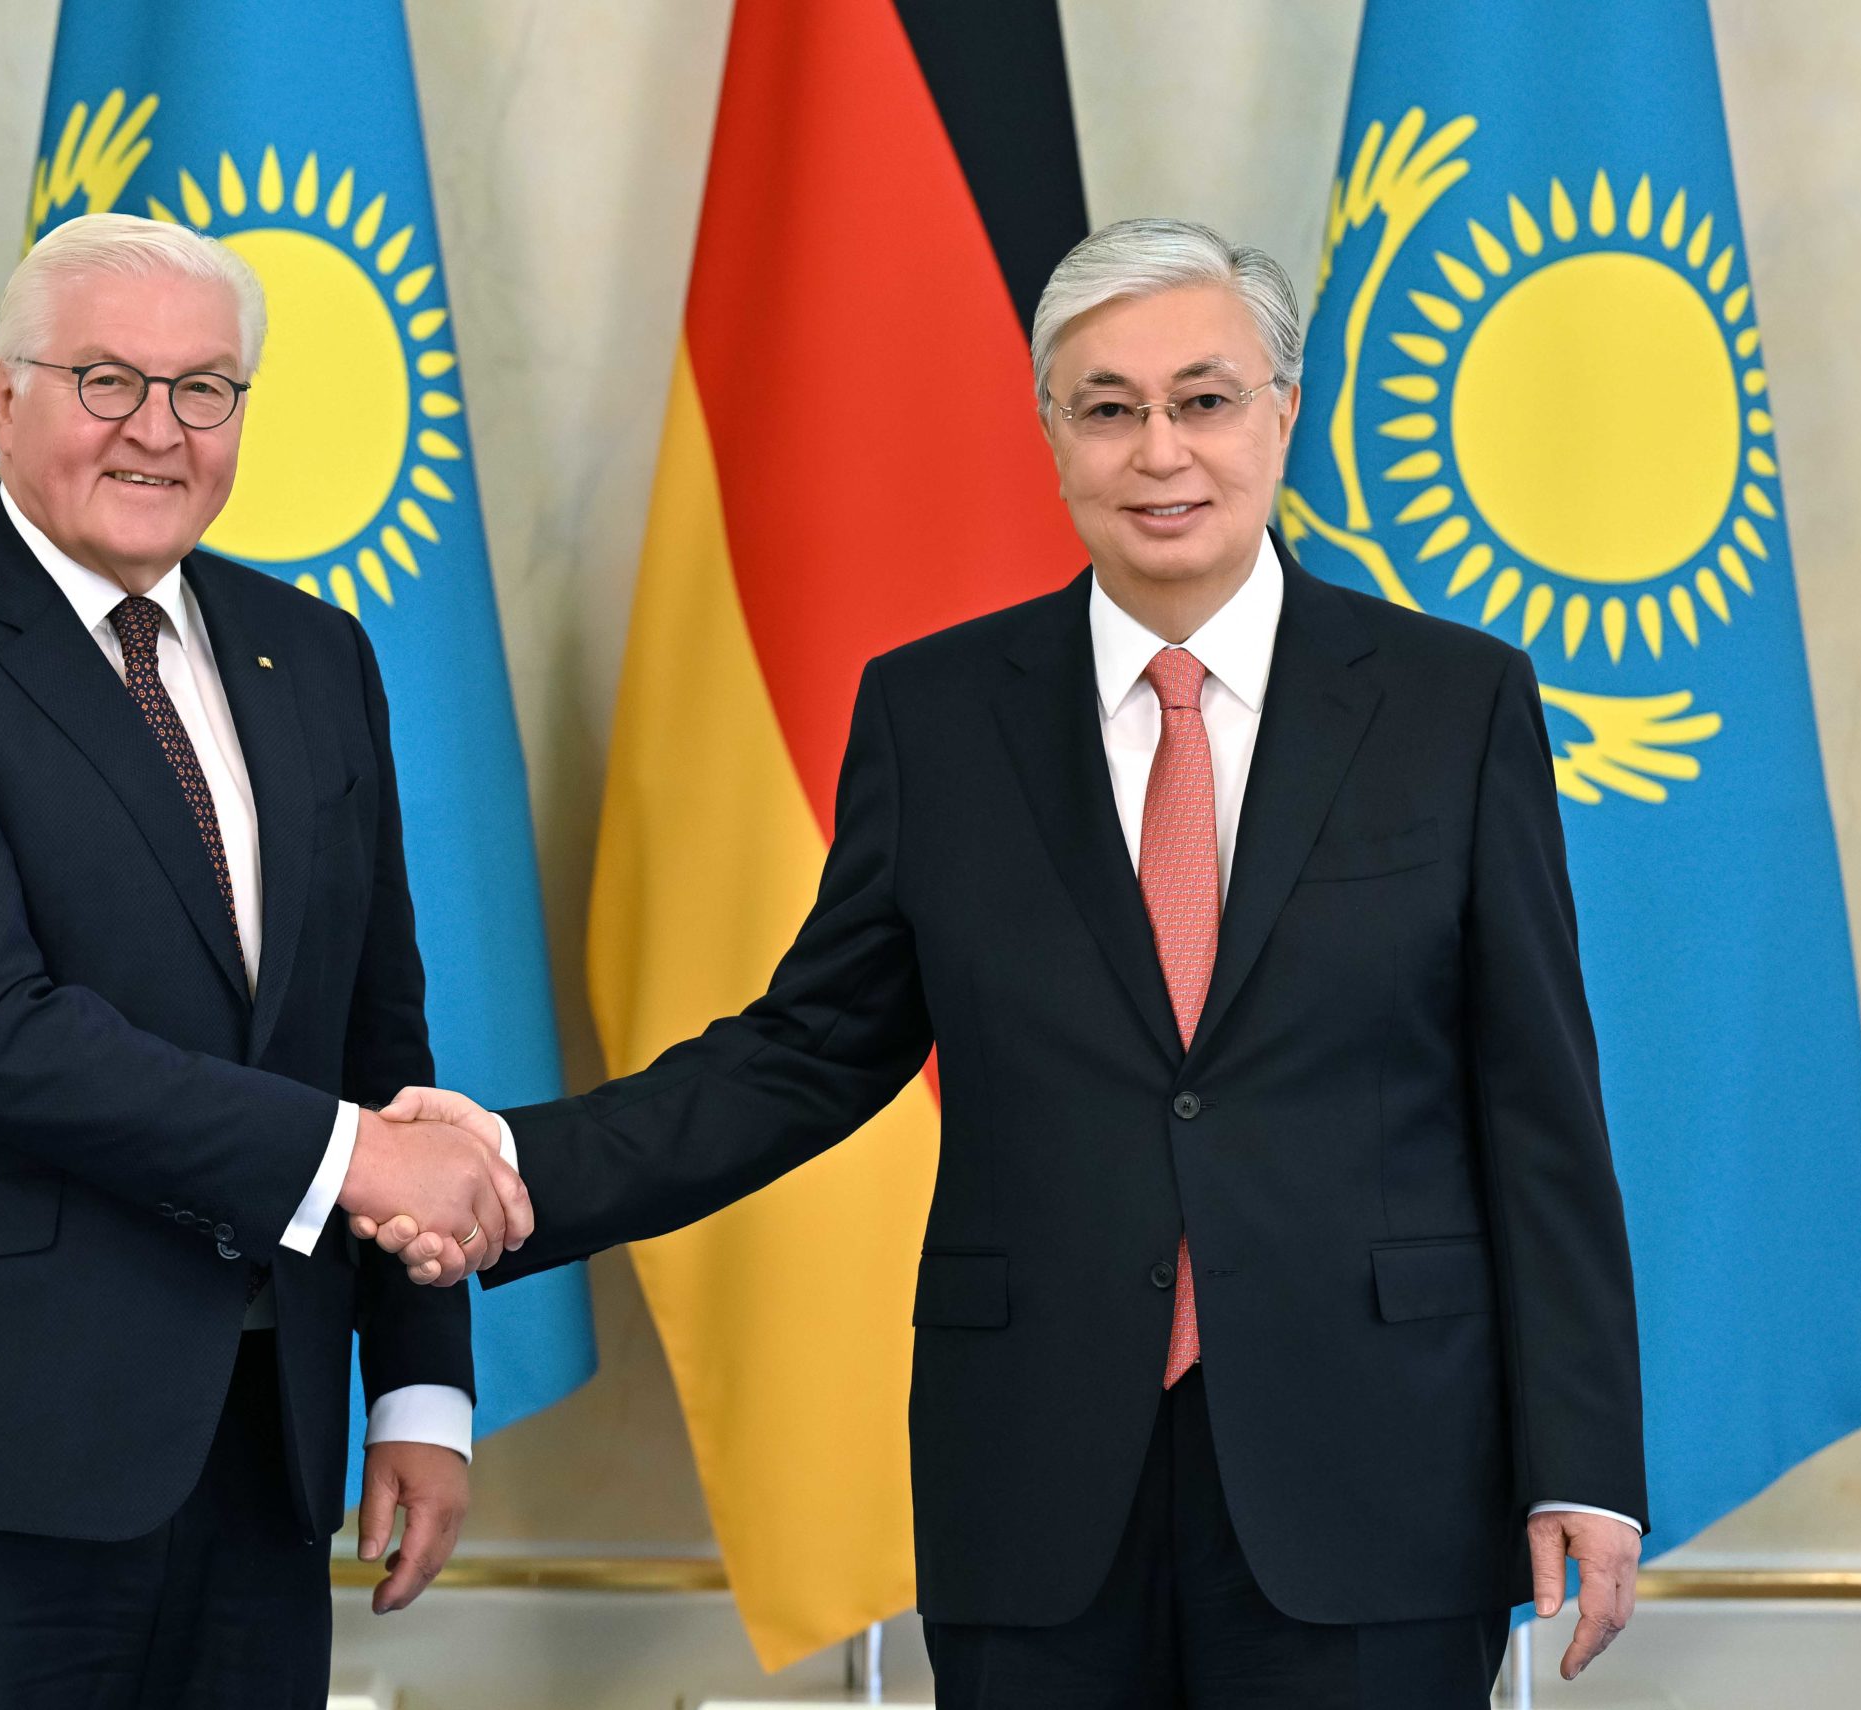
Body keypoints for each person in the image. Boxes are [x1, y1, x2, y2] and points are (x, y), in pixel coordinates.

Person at [365, 219, 1646, 1707]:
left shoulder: (1452, 703)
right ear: (1052, 435)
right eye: (1109, 407)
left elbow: (1540, 1108)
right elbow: (806, 1051)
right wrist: (518, 1163)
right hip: (1037, 1480)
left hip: (1378, 1473)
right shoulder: (936, 714)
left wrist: (1586, 1462)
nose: (1159, 448)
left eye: (1205, 399)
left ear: (1285, 413)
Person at [0, 212, 530, 1709]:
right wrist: (357, 1161)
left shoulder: (317, 655)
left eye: (203, 388)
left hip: (251, 1448)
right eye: (106, 379)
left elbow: (379, 1044)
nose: (158, 430)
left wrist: (418, 1385)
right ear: (3, 395)